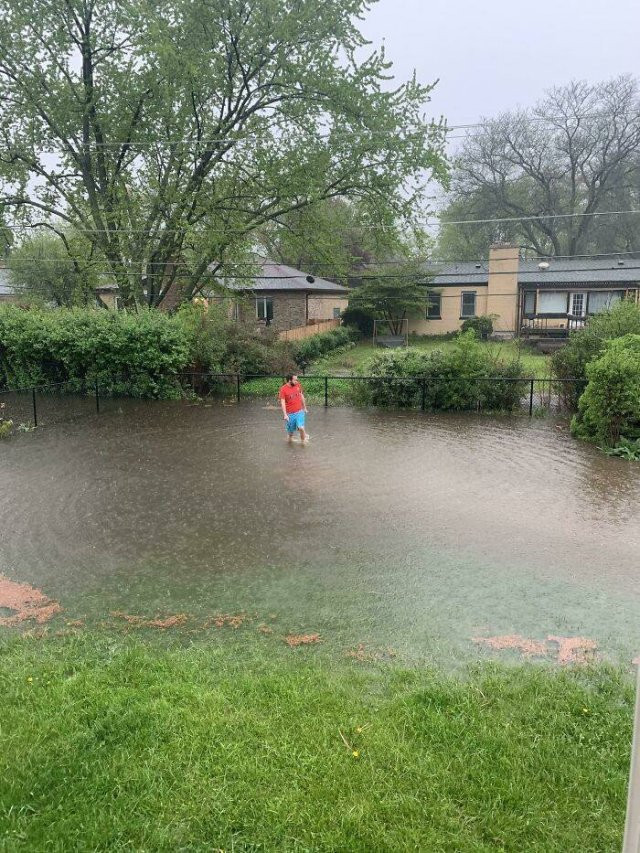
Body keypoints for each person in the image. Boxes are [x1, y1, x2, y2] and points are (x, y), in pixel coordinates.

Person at [278, 374, 309, 444]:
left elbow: (301, 396)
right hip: (290, 414)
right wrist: (285, 415)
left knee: (301, 427)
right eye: (295, 380)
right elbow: (282, 402)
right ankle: (289, 442)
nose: (297, 381)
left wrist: (305, 407)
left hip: (299, 411)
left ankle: (303, 443)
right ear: (290, 380)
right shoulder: (283, 389)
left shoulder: (298, 385)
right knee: (290, 434)